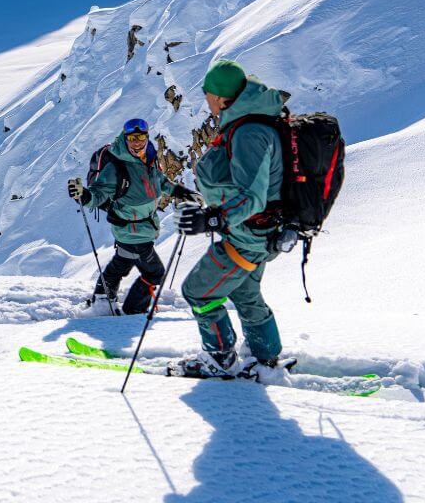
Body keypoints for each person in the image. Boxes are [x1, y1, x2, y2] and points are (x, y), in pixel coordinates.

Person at [173, 59, 288, 379]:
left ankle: (219, 359)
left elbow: (252, 196)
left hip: (247, 235)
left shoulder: (250, 132)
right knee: (246, 295)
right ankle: (265, 360)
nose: (206, 100)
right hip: (259, 232)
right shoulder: (250, 122)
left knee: (198, 291)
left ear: (223, 99)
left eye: (209, 94)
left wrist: (212, 220)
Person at [67, 118, 197, 315]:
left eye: (141, 137)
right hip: (133, 231)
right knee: (155, 272)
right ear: (125, 138)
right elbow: (98, 194)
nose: (137, 142)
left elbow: (162, 183)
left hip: (142, 227)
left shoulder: (149, 160)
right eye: (132, 138)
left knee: (121, 263)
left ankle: (103, 301)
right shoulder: (116, 167)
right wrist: (83, 195)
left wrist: (184, 193)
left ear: (146, 137)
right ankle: (133, 311)